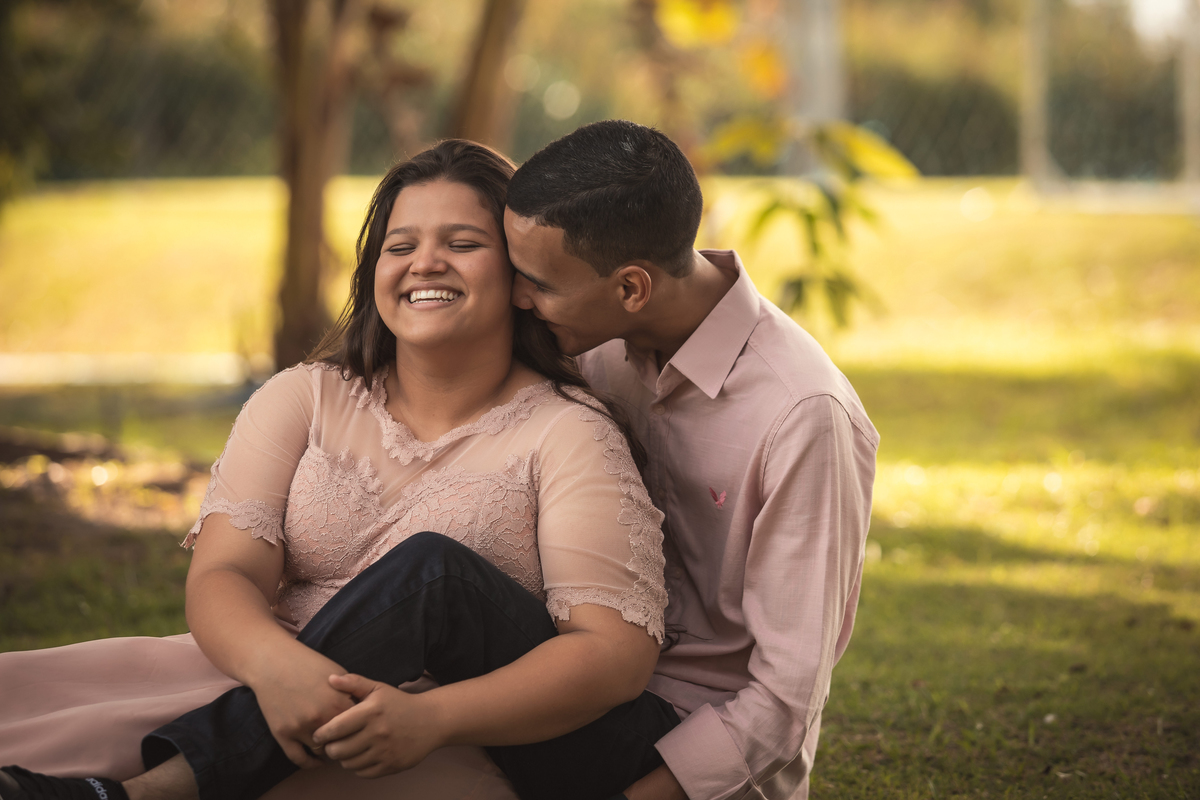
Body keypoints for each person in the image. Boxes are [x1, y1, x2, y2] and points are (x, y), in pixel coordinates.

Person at [0, 140, 678, 800]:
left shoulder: (568, 432)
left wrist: (429, 719)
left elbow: (612, 654)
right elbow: (224, 572)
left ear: (521, 279)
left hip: (471, 728)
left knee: (430, 570)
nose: (426, 264)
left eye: (463, 244)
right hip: (272, 678)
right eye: (401, 246)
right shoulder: (304, 398)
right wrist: (279, 668)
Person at [503, 119, 879, 800]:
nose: (518, 299)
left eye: (537, 282)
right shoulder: (592, 346)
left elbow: (786, 696)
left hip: (679, 744)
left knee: (434, 585)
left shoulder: (802, 415)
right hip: (579, 675)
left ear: (631, 289)